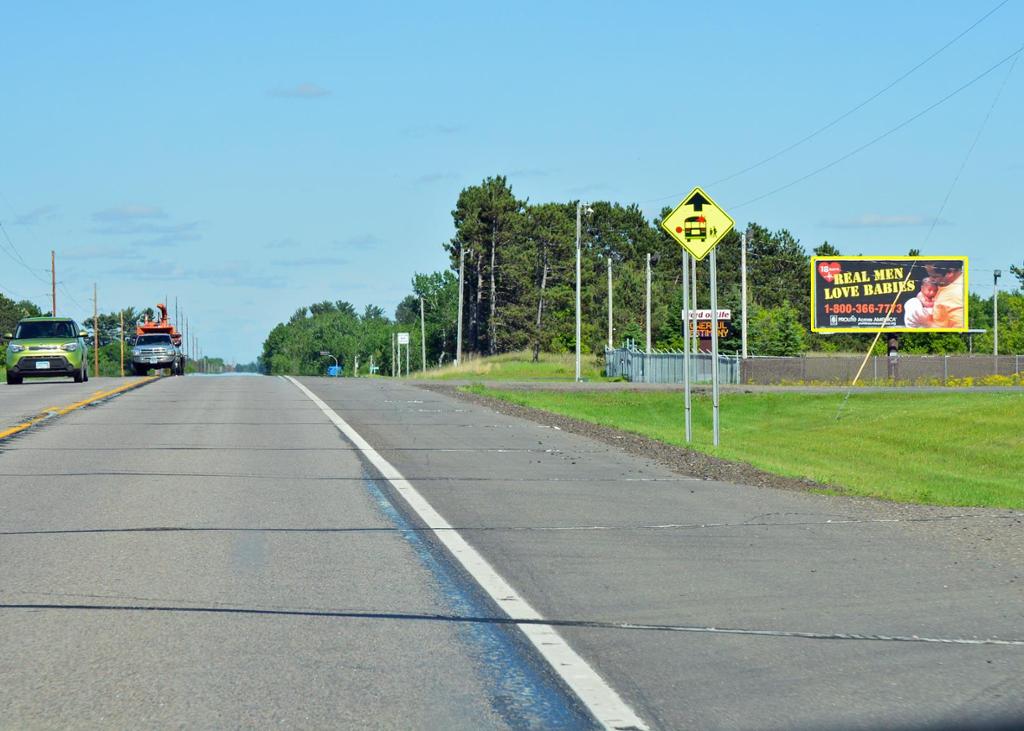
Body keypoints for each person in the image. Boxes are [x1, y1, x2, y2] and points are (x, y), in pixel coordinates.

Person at [924, 261, 965, 329]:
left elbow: (958, 330)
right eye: (929, 275)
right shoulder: (946, 283)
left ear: (950, 272)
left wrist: (926, 324)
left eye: (934, 276)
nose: (930, 280)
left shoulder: (956, 296)